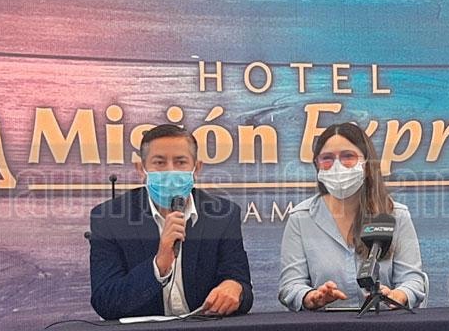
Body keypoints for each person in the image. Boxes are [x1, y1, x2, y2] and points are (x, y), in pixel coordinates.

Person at [89, 124, 253, 320]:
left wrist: (235, 288)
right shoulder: (109, 218)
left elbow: (243, 289)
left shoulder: (223, 215)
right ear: (141, 169)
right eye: (159, 162)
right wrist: (158, 265)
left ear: (197, 168)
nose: (170, 171)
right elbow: (105, 301)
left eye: (180, 162)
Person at [278, 122, 427, 311]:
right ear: (317, 165)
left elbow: (413, 281)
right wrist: (312, 297)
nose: (337, 166)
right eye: (327, 158)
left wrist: (396, 296)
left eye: (348, 156)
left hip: (385, 323)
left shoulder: (396, 215)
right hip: (322, 326)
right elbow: (290, 286)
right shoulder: (301, 218)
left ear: (366, 164)